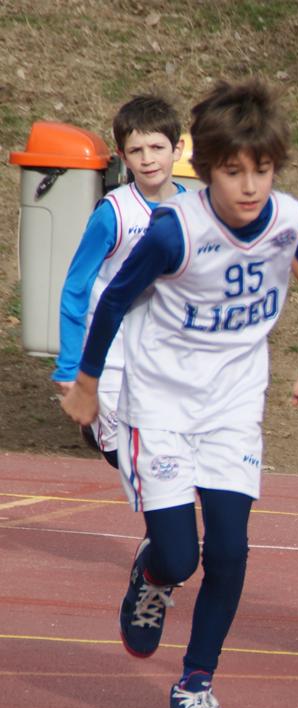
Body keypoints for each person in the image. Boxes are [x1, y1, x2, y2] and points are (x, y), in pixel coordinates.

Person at [61, 79, 298, 708]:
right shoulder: (173, 232)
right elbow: (111, 302)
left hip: (233, 405)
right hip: (157, 402)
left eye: (262, 171)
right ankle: (153, 575)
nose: (249, 187)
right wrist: (88, 383)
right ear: (207, 168)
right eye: (234, 172)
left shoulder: (290, 221)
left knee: (233, 550)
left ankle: (196, 686)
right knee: (181, 555)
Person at [52, 95, 185, 468]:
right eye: (136, 150)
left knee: (168, 456)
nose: (148, 159)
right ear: (122, 157)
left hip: (165, 353)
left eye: (157, 147)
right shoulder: (114, 214)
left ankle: (161, 527)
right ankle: (98, 432)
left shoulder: (195, 209)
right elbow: (76, 287)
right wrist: (69, 365)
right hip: (111, 354)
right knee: (130, 456)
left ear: (178, 149)